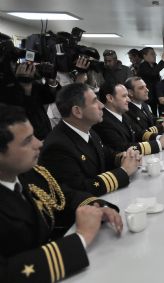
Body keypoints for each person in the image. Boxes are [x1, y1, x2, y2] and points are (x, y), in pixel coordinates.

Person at [0, 104, 123, 283]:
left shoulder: (28, 173)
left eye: (34, 135)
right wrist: (81, 238)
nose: (39, 143)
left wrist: (98, 206)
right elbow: (8, 273)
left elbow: (63, 196)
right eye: (27, 141)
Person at [39, 83, 141, 196]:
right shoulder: (57, 146)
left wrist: (125, 157)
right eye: (94, 101)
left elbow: (106, 155)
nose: (101, 105)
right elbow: (79, 188)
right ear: (77, 111)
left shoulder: (89, 131)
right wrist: (124, 172)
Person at [93, 81, 164, 153]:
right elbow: (122, 147)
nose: (129, 100)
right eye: (124, 96)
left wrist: (158, 137)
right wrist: (157, 144)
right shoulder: (103, 121)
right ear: (110, 98)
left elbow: (138, 133)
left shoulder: (122, 114)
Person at [0, 63, 59, 140]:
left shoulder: (32, 83)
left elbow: (49, 98)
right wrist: (25, 87)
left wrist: (51, 82)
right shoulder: (6, 88)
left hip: (46, 133)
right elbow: (24, 112)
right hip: (26, 138)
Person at [138, 47, 164, 115]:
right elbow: (153, 73)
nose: (155, 56)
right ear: (144, 56)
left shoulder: (154, 65)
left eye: (154, 54)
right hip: (148, 95)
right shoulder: (143, 66)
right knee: (151, 114)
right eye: (152, 54)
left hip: (156, 94)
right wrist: (163, 60)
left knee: (162, 113)